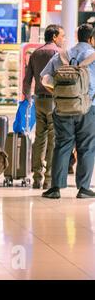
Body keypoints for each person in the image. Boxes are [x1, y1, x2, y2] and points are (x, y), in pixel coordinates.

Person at [41, 24, 95, 199]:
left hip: (62, 109)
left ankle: (55, 188)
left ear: (77, 36)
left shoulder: (62, 55)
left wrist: (58, 94)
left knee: (62, 146)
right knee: (86, 147)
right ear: (92, 39)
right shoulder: (93, 57)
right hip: (88, 108)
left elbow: (45, 79)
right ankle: (84, 188)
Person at [23, 24, 65, 190]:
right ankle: (48, 178)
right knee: (53, 139)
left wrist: (27, 98)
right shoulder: (58, 53)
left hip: (39, 100)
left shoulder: (36, 53)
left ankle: (36, 178)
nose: (63, 39)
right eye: (62, 35)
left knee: (39, 138)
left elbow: (27, 80)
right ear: (54, 36)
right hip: (54, 100)